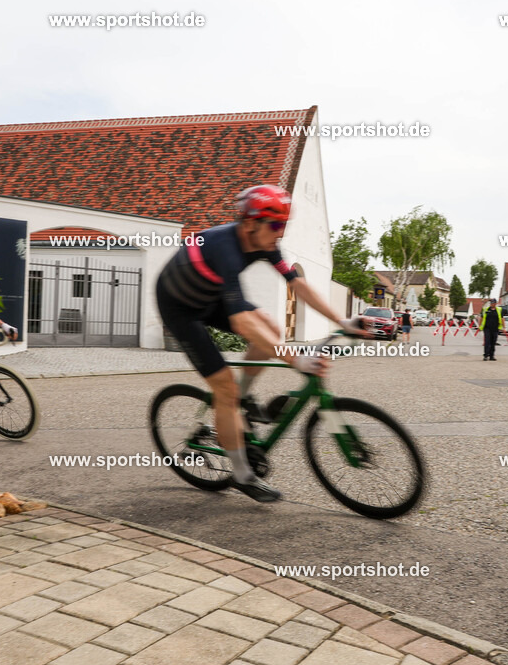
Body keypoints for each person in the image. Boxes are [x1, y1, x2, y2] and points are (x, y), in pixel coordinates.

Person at [156, 184, 364, 503]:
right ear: (251, 222)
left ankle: (244, 395)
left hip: (209, 297)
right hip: (180, 307)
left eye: (284, 226)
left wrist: (342, 321)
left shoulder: (266, 242)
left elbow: (298, 284)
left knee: (270, 326)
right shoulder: (225, 246)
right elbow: (240, 323)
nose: (280, 234)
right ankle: (241, 475)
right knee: (224, 386)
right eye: (276, 225)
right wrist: (298, 361)